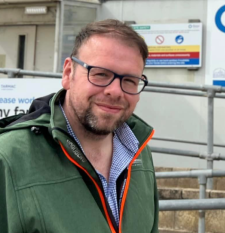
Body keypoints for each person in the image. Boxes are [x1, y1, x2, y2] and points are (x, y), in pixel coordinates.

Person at [0, 19, 159, 233]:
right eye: (101, 74)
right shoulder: (10, 158)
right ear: (68, 73)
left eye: (130, 80)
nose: (115, 91)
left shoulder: (139, 153)